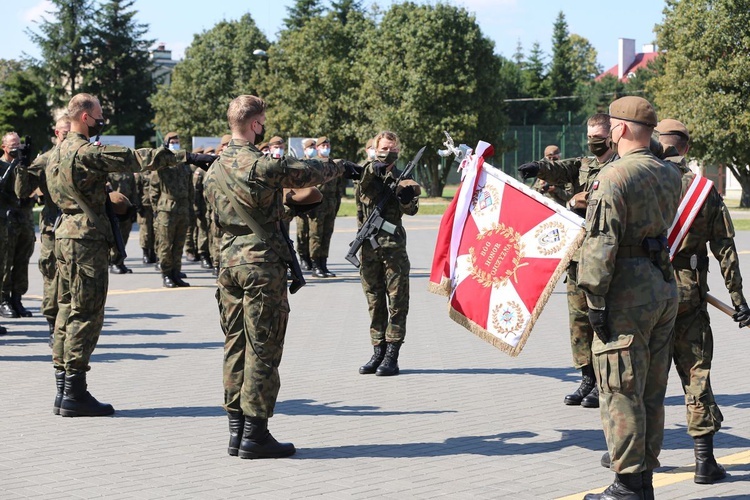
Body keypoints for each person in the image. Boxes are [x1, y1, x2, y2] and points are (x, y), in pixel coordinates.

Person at [202, 94, 357, 458]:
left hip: (228, 264)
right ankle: (256, 434)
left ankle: (236, 432)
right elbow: (306, 173)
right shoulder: (260, 165)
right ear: (256, 124)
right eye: (263, 122)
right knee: (263, 347)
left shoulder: (213, 170)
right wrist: (339, 166)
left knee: (235, 345)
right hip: (260, 265)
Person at [45, 93, 211, 417]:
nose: (101, 120)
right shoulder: (85, 151)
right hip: (85, 237)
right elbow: (136, 158)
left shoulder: (56, 152)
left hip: (64, 233)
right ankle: (75, 393)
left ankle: (64, 388)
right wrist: (182, 155)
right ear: (84, 117)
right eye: (98, 115)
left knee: (67, 309)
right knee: (86, 313)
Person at [576, 96, 683, 499]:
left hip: (626, 291)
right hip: (662, 284)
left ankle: (626, 485)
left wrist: (594, 299)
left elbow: (601, 244)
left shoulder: (614, 176)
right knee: (652, 391)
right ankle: (643, 481)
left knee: (619, 389)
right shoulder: (670, 174)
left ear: (618, 129)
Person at [655, 118, 749, 484]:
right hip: (689, 294)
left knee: (646, 378)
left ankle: (633, 456)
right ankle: (704, 462)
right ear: (686, 149)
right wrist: (738, 300)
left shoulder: (639, 181)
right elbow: (726, 247)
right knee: (696, 373)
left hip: (644, 296)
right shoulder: (702, 190)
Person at [519, 115, 618, 409]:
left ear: (613, 135)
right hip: (577, 257)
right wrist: (539, 167)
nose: (593, 141)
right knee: (578, 322)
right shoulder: (584, 164)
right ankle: (587, 377)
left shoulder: (622, 167)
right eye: (589, 136)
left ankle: (606, 382)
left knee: (604, 320)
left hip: (605, 258)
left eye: (598, 136)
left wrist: (579, 201)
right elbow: (561, 169)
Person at [353, 131, 420, 376]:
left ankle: (392, 354)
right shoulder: (365, 174)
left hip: (393, 249)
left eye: (392, 150)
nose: (387, 153)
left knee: (398, 302)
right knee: (374, 301)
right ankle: (377, 350)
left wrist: (405, 198)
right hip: (368, 249)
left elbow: (412, 210)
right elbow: (363, 188)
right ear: (374, 149)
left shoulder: (405, 176)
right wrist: (377, 168)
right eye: (383, 149)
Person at [15, 116, 70, 344]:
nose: (70, 136)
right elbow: (22, 191)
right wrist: (23, 166)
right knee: (51, 275)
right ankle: (52, 324)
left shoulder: (83, 156)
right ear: (57, 133)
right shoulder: (46, 159)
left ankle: (71, 326)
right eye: (65, 133)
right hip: (53, 226)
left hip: (80, 228)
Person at [151, 132, 196, 288]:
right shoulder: (161, 165)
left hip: (183, 208)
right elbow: (154, 190)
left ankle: (176, 273)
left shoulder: (185, 165)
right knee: (165, 244)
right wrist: (156, 210)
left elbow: (190, 188)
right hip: (166, 209)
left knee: (179, 244)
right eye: (172, 142)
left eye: (177, 141)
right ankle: (166, 274)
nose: (175, 144)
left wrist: (191, 207)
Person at [0, 132, 36, 319]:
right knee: (5, 262)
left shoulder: (24, 164)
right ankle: (4, 299)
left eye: (18, 144)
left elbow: (32, 189)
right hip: (7, 221)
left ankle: (17, 298)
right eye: (12, 145)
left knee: (22, 261)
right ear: (4, 147)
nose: (16, 147)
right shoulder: (1, 166)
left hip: (25, 218)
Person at [309, 136, 347, 278]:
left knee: (327, 235)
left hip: (330, 205)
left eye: (327, 145)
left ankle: (323, 264)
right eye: (322, 145)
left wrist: (337, 205)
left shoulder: (333, 165)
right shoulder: (313, 164)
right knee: (316, 236)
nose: (325, 148)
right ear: (317, 148)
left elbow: (338, 189)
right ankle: (315, 266)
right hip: (317, 205)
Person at [107, 171, 138, 274]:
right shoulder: (110, 172)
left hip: (126, 207)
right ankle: (113, 262)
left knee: (124, 236)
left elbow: (133, 190)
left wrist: (134, 207)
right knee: (116, 236)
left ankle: (120, 261)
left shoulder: (128, 172)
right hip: (115, 208)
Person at [296, 138, 316, 271]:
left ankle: (313, 258)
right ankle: (303, 258)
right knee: (302, 232)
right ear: (304, 150)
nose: (312, 150)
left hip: (316, 205)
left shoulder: (318, 164)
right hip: (302, 205)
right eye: (310, 147)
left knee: (315, 234)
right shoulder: (299, 165)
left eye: (314, 147)